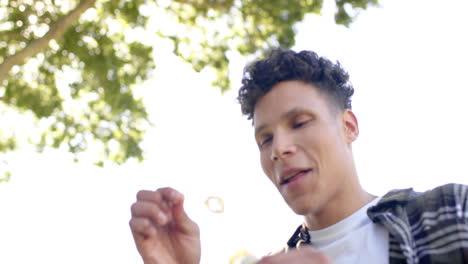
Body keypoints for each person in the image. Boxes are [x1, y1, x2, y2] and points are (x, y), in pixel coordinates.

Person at [129, 49, 468, 264]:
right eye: (265, 139)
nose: (279, 149)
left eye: (300, 122)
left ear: (348, 127)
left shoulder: (450, 211)